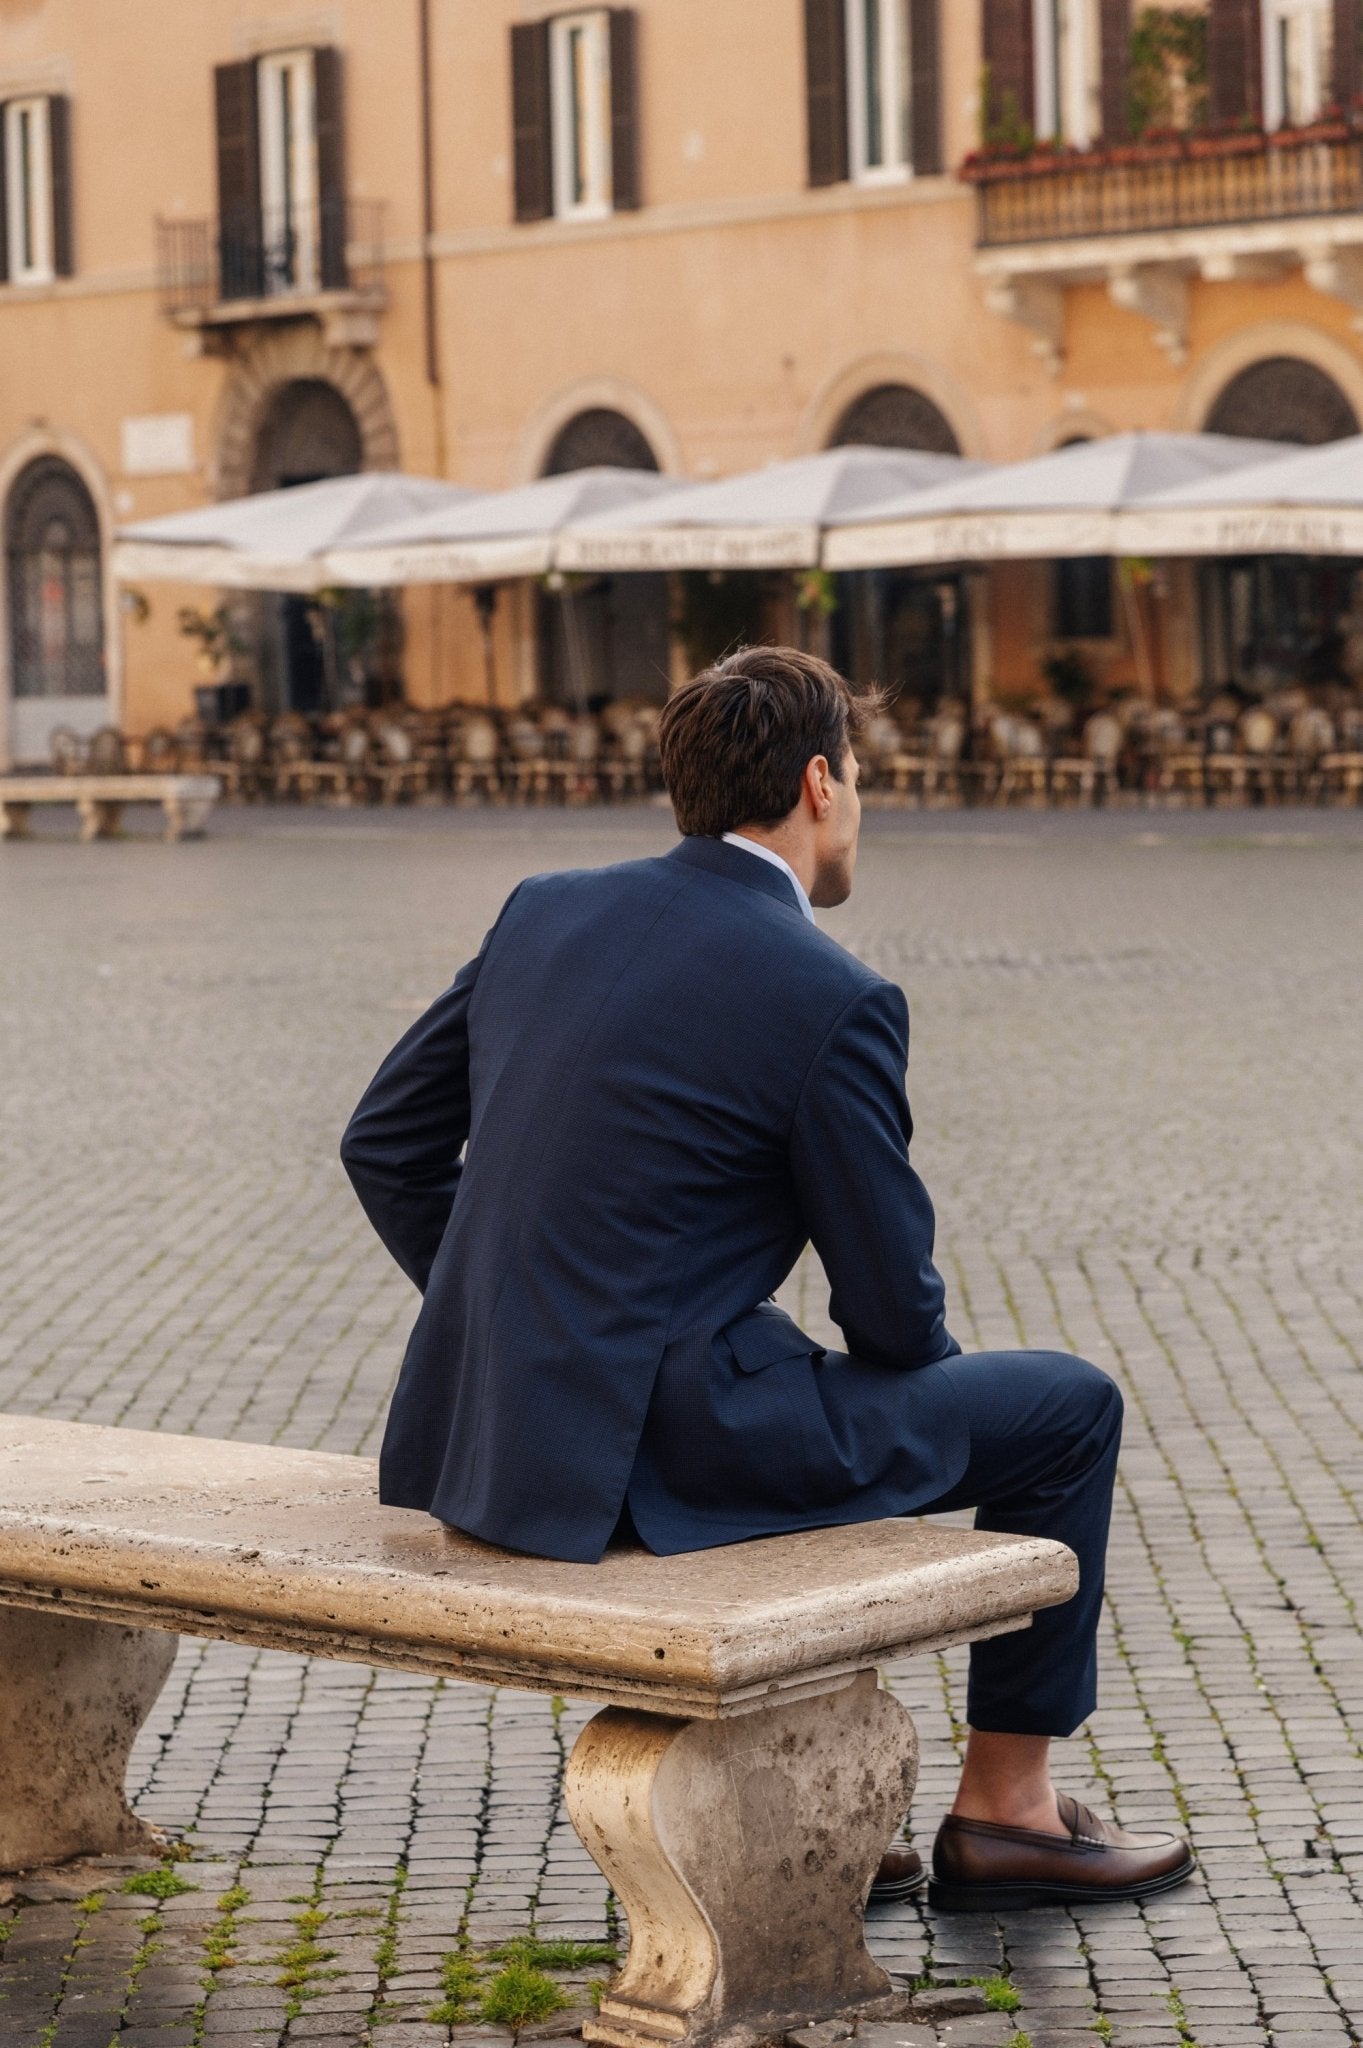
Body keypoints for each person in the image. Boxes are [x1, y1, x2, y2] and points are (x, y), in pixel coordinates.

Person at [341, 647, 1194, 1914]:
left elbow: (384, 1143)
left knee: (827, 1390)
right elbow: (896, 1315)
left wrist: (531, 1326)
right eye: (858, 775)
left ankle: (832, 1798)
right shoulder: (831, 993)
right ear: (816, 784)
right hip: (665, 1455)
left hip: (500, 1443)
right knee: (1066, 1408)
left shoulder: (546, 908)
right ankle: (1008, 1807)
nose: (859, 804)